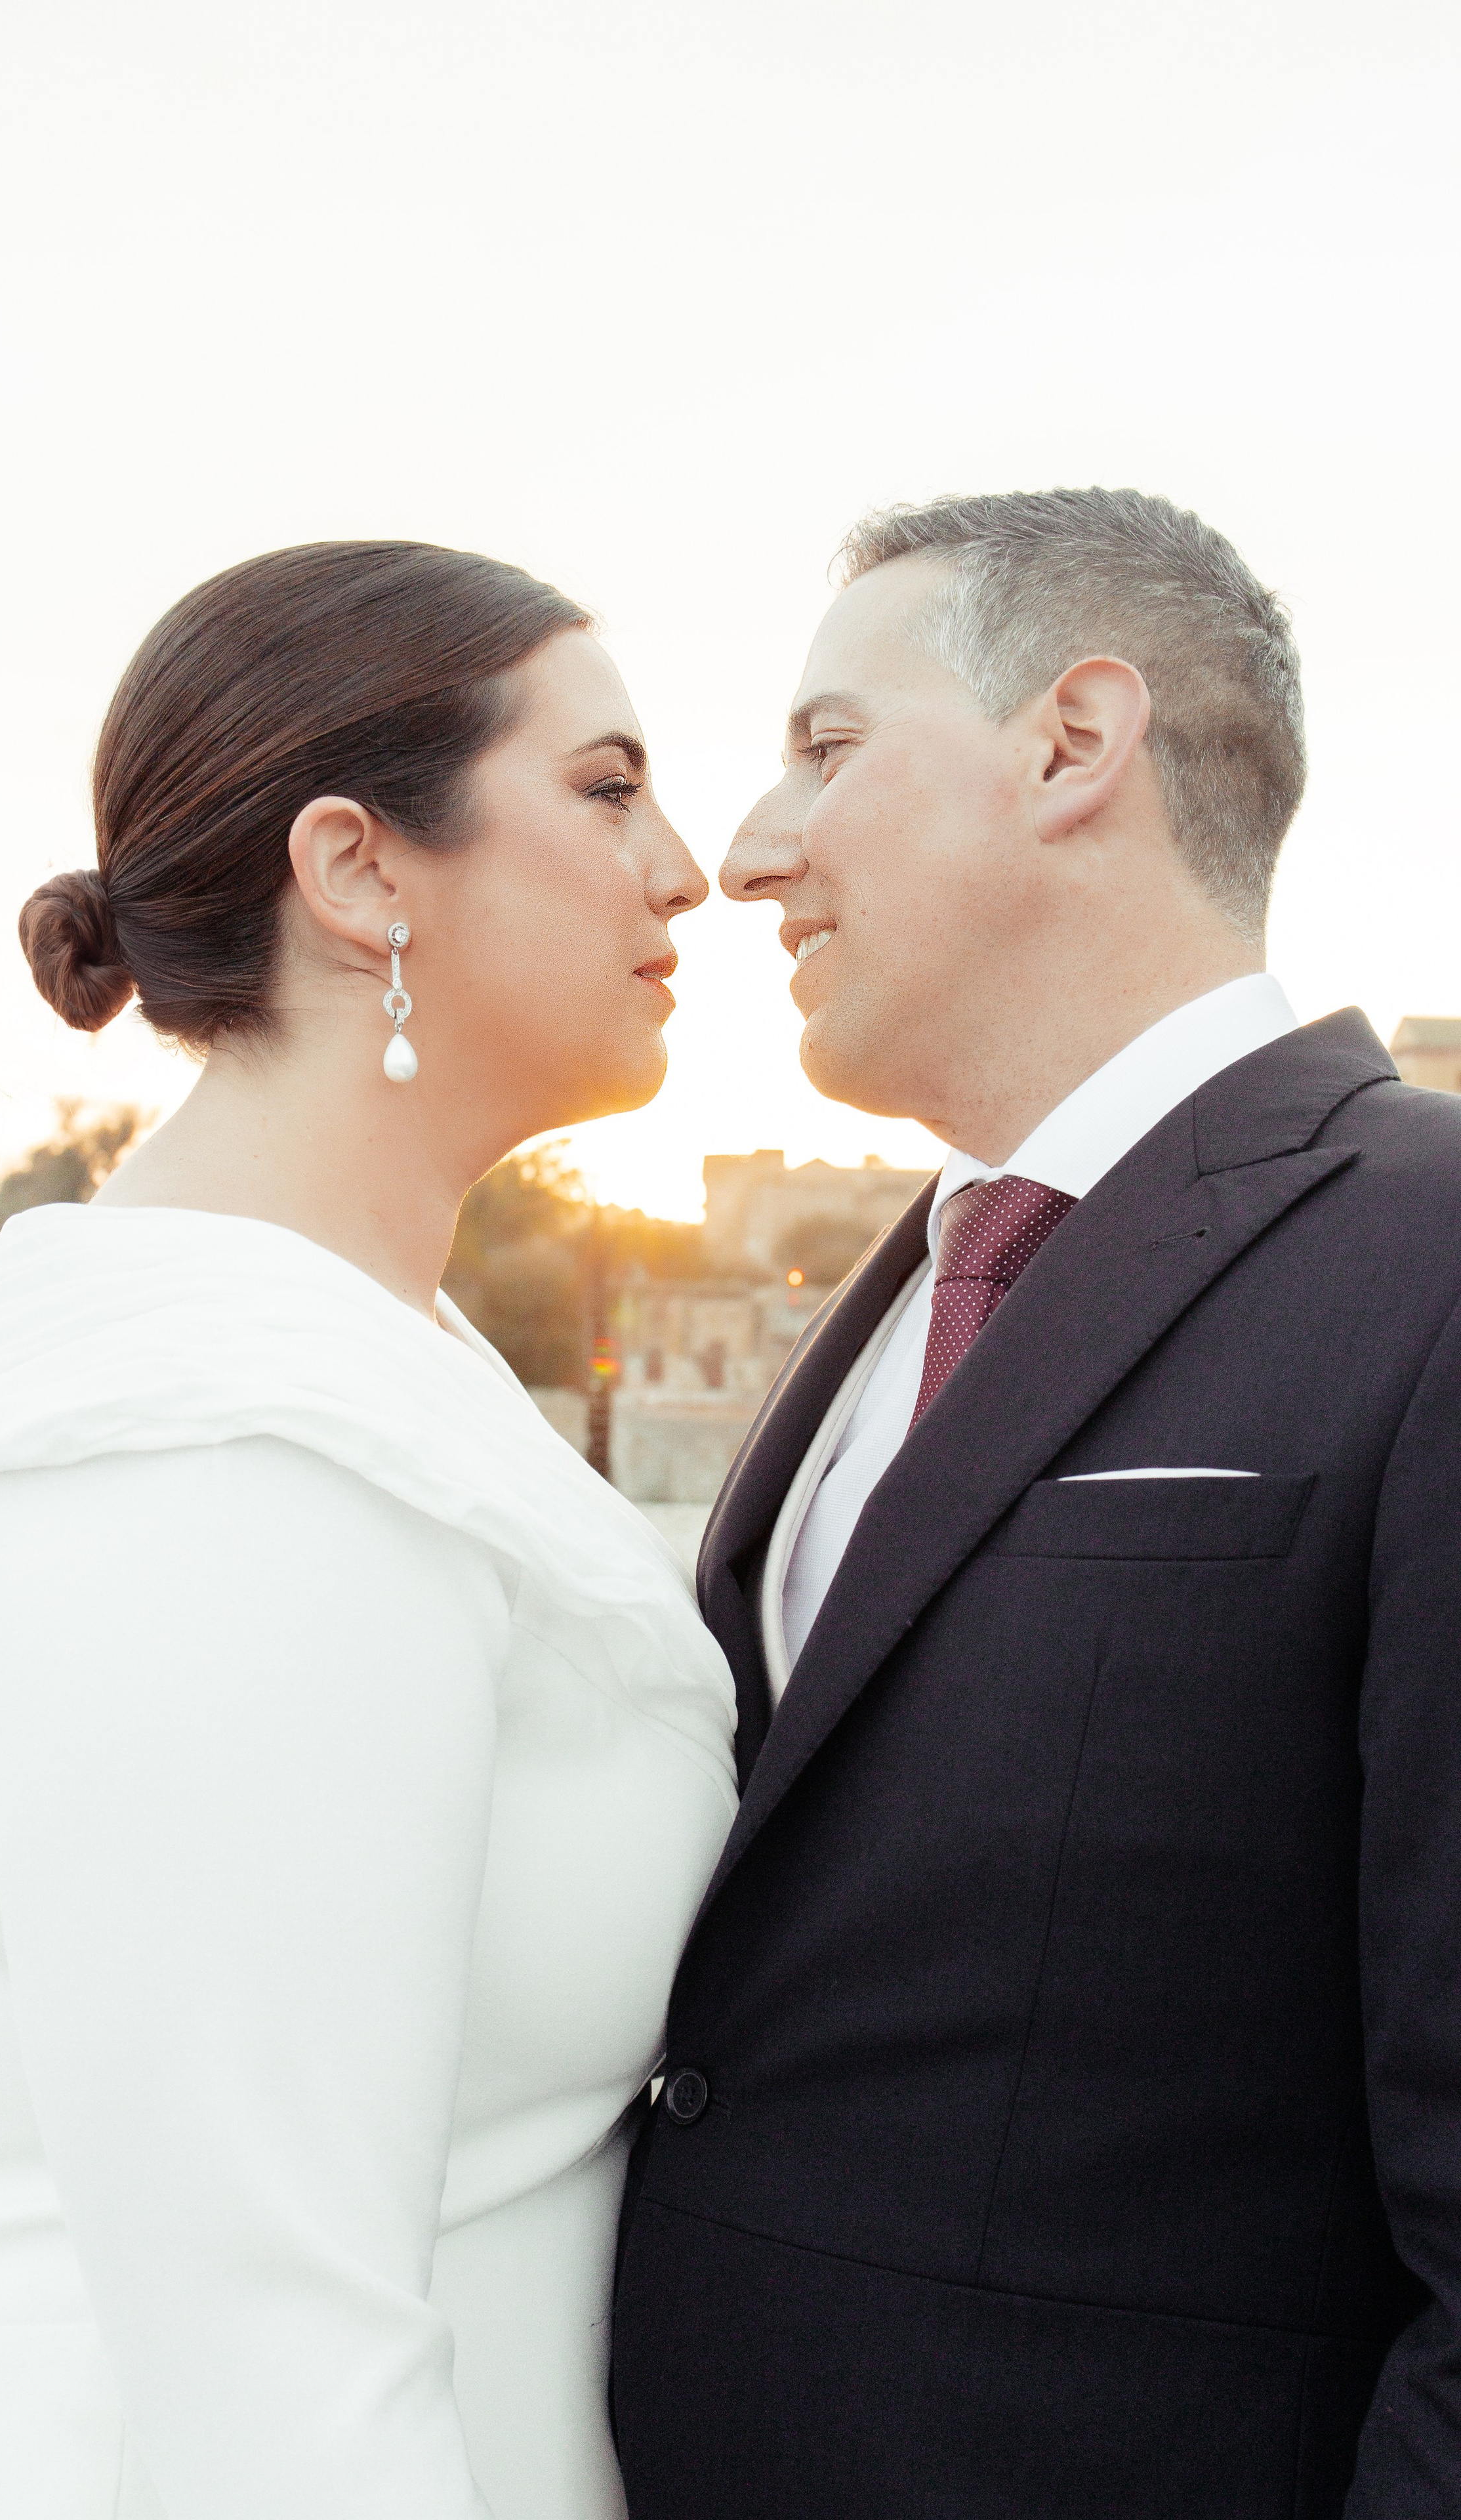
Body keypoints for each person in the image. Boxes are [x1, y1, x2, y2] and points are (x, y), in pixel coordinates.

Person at [0, 541, 737, 2519]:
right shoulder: (221, 1454)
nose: (688, 868)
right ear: (361, 871)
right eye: (609, 786)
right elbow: (269, 2362)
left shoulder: (370, 1360)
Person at [610, 488, 1461, 2517]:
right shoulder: (892, 1298)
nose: (745, 853)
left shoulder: (1431, 1259)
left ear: (1075, 743)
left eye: (829, 747)